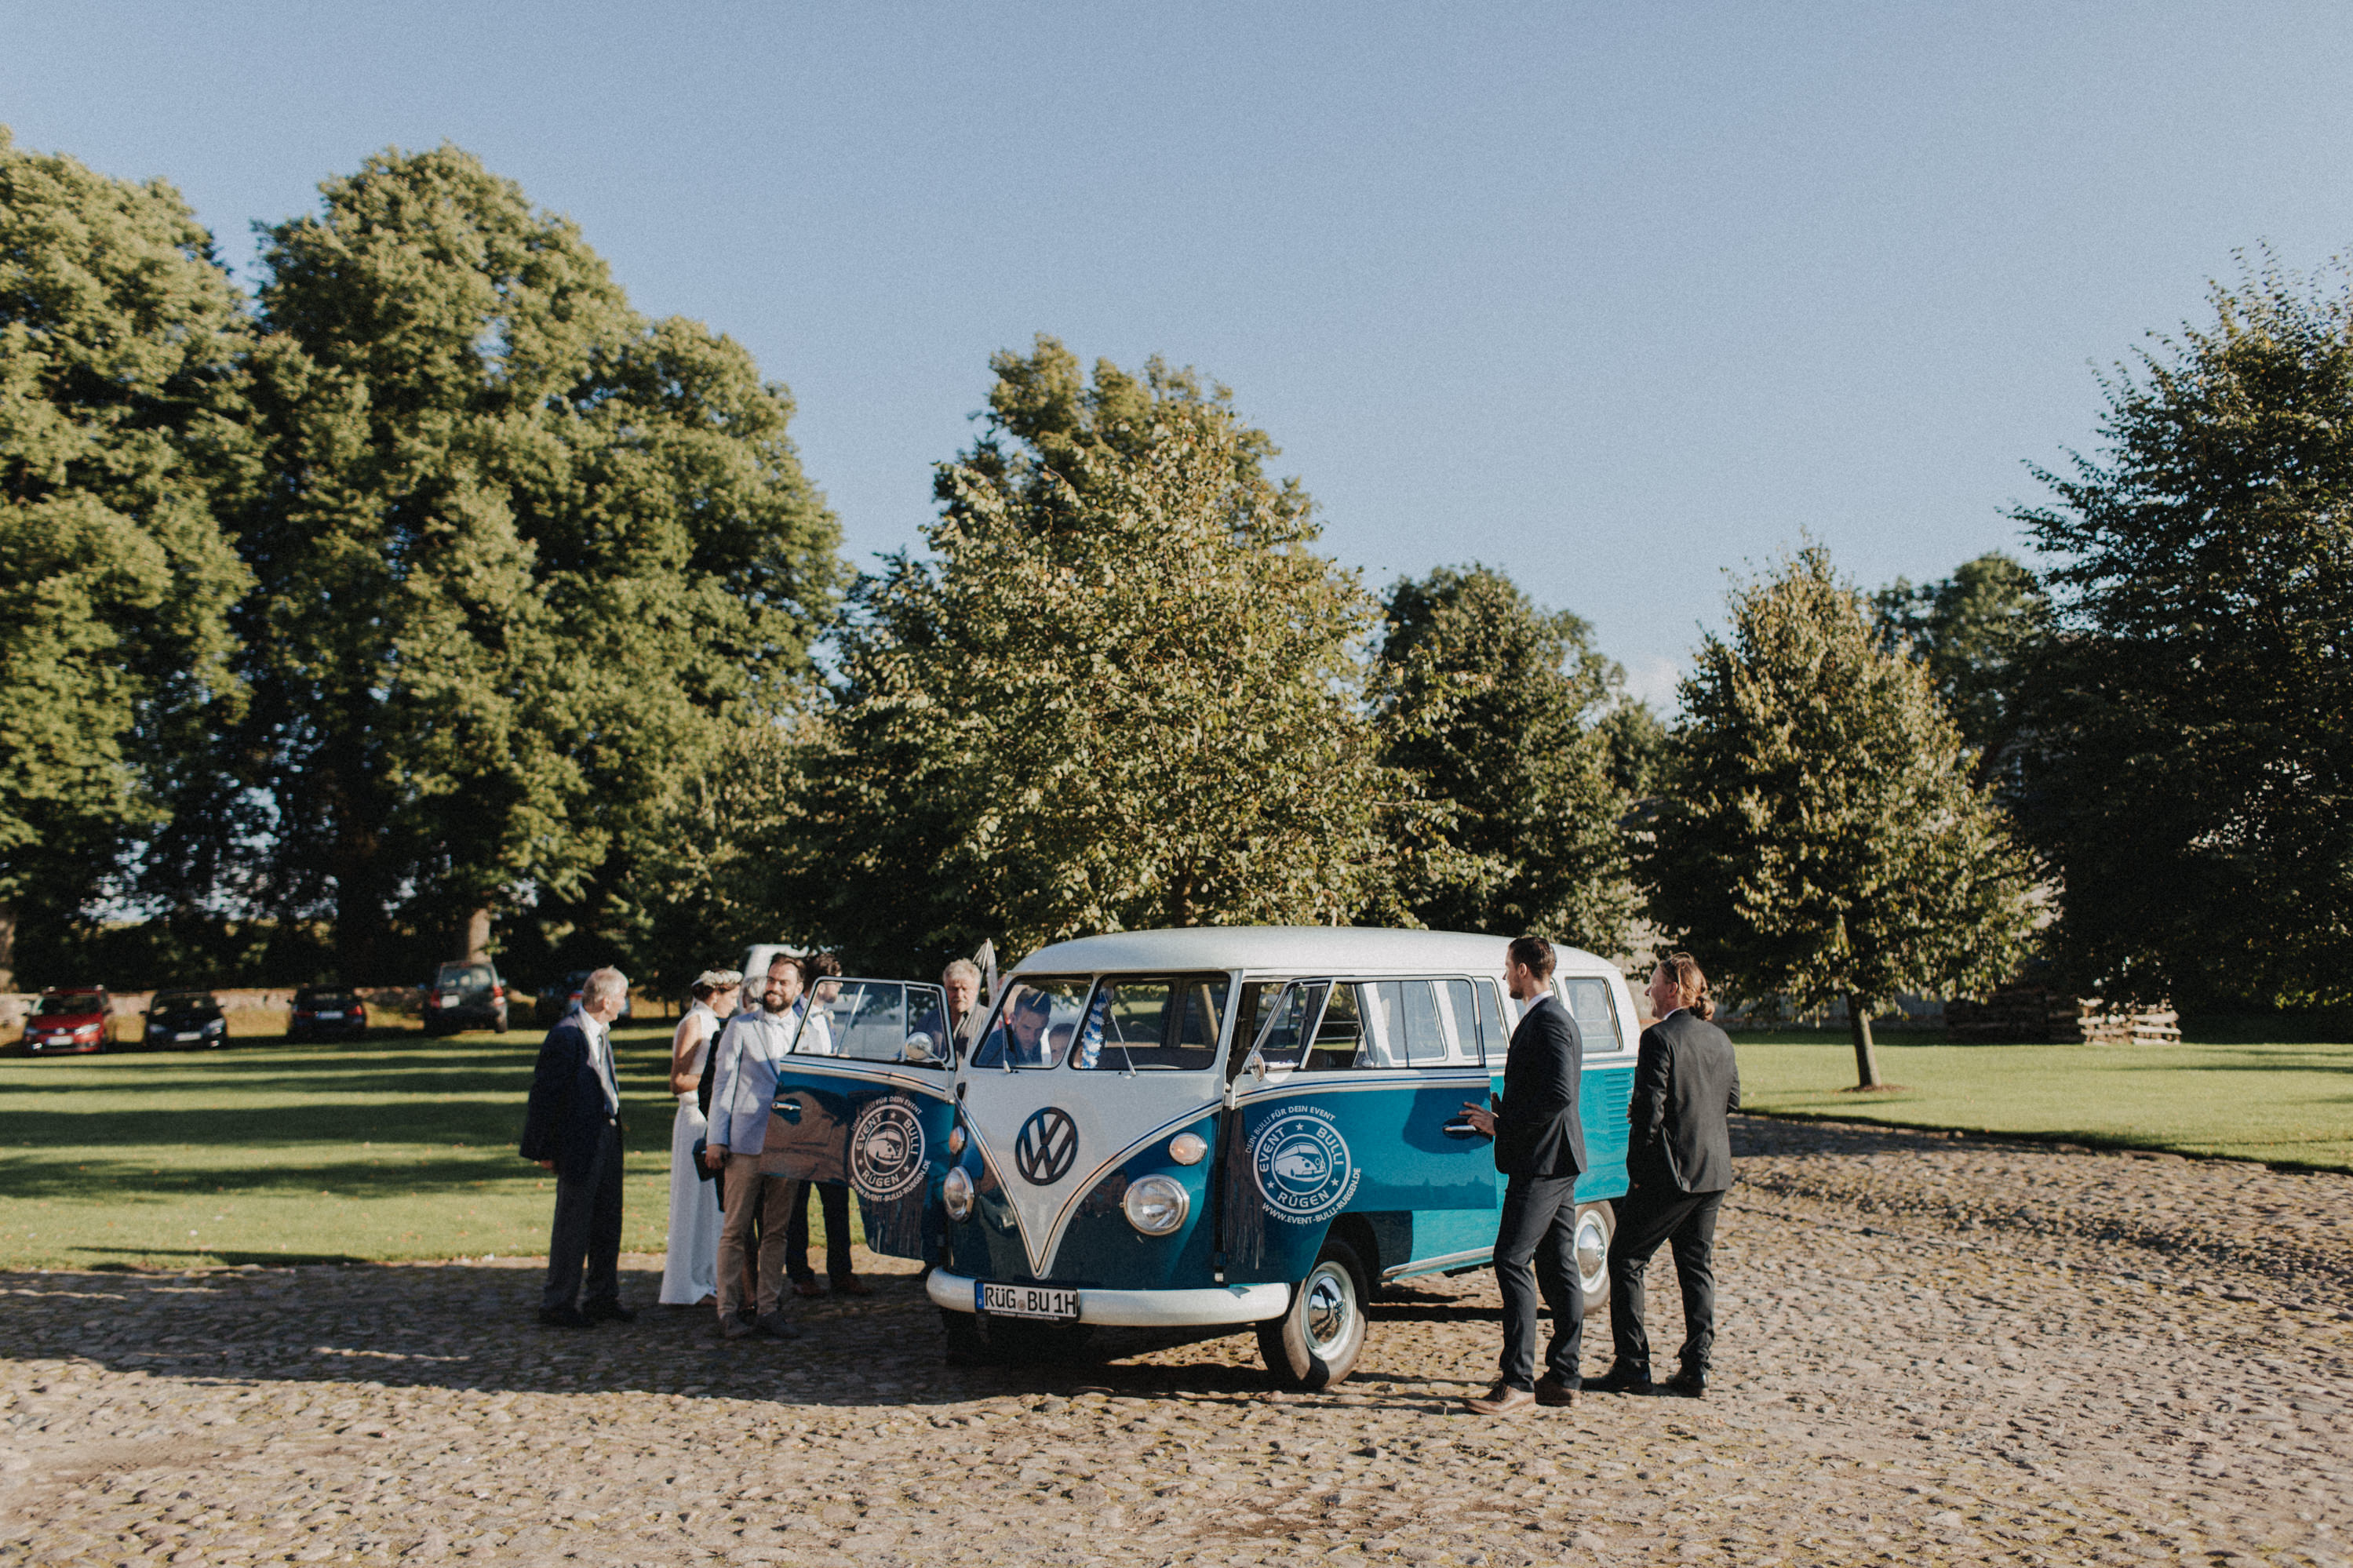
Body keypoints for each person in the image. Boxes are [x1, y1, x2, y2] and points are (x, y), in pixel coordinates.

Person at [1591, 951, 1741, 1399]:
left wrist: (1636, 1172)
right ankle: (1697, 1366)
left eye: (1653, 983)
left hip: (1670, 1174)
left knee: (1625, 1259)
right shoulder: (1720, 1040)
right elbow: (1731, 1100)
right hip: (1713, 1172)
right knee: (1696, 1268)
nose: (1648, 991)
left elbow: (1649, 1115)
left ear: (1673, 988)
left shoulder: (1658, 1039)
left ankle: (1632, 1365)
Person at [1460, 936, 1587, 1415]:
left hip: (1543, 1162)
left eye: (1509, 966)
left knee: (1511, 1260)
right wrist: (1500, 1110)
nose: (1505, 974)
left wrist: (1503, 1123)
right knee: (1558, 1265)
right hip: (1553, 1159)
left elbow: (1557, 1095)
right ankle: (1565, 1376)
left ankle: (1518, 1381)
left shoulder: (1550, 1022)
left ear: (1525, 971)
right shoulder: (1546, 1019)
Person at [520, 966, 635, 1329]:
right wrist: (545, 1150)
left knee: (607, 1220)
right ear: (606, 1000)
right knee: (573, 1223)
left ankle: (602, 1296)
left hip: (607, 1135)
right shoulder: (567, 1036)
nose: (624, 1003)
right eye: (622, 996)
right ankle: (558, 1303)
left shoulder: (599, 1032)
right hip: (579, 1142)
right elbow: (545, 1097)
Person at [705, 955, 805, 1339]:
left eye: (783, 983)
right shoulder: (740, 1027)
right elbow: (722, 1086)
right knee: (735, 1229)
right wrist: (717, 1138)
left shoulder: (805, 1031)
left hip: (788, 1146)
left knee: (777, 1231)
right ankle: (728, 1311)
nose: (774, 988)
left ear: (798, 990)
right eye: (771, 981)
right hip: (745, 1142)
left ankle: (768, 1308)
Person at [786, 954, 870, 1297]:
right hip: (801, 1123)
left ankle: (841, 1271)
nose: (840, 987)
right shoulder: (795, 1018)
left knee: (836, 1199)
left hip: (831, 1123)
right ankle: (800, 1274)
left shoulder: (827, 1020)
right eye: (836, 980)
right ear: (821, 983)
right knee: (797, 1203)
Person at [657, 969, 739, 1308]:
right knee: (693, 1203)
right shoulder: (695, 1022)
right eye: (731, 997)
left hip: (712, 1118)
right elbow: (677, 1081)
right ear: (715, 993)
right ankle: (686, 1283)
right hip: (694, 1119)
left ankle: (707, 1278)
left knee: (711, 1206)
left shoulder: (717, 1024)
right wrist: (715, 1078)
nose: (734, 1004)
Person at [908, 958, 980, 1062]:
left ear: (976, 989)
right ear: (945, 988)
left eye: (965, 989)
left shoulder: (990, 1021)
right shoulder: (928, 1020)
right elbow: (908, 1053)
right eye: (953, 989)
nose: (959, 995)